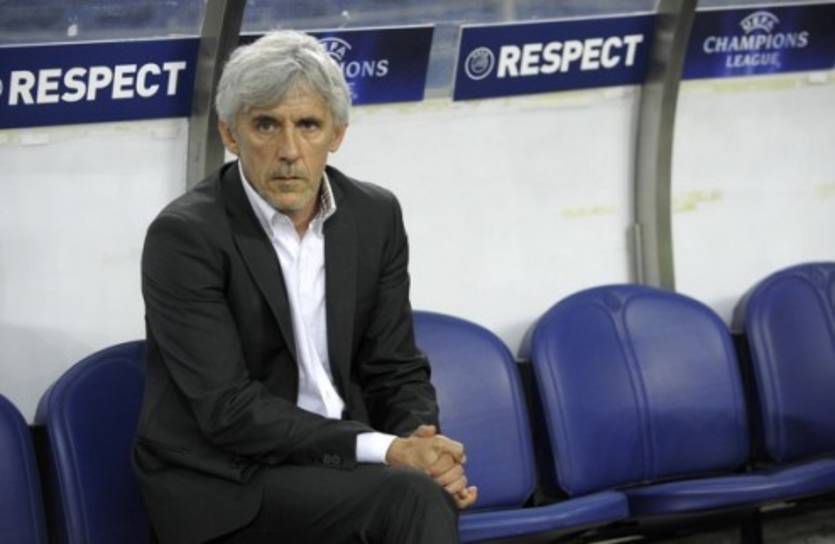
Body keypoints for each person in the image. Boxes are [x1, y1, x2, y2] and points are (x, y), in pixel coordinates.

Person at [133, 30, 477, 544]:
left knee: (423, 486)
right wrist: (387, 450)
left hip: (339, 464)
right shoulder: (185, 236)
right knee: (411, 497)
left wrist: (420, 445)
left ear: (336, 134)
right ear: (230, 133)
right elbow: (228, 410)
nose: (289, 150)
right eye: (266, 125)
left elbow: (395, 367)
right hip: (230, 482)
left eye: (308, 125)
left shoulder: (374, 215)